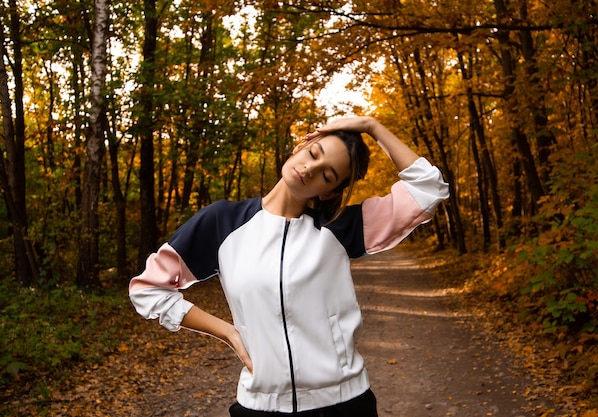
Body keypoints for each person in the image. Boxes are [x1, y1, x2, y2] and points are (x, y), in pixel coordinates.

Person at [129, 116, 450, 416]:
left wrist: (371, 126)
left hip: (345, 403)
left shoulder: (340, 228)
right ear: (301, 147)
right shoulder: (223, 222)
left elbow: (427, 188)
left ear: (329, 192)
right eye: (314, 152)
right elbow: (148, 290)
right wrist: (228, 332)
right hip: (258, 405)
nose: (311, 168)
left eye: (327, 174)